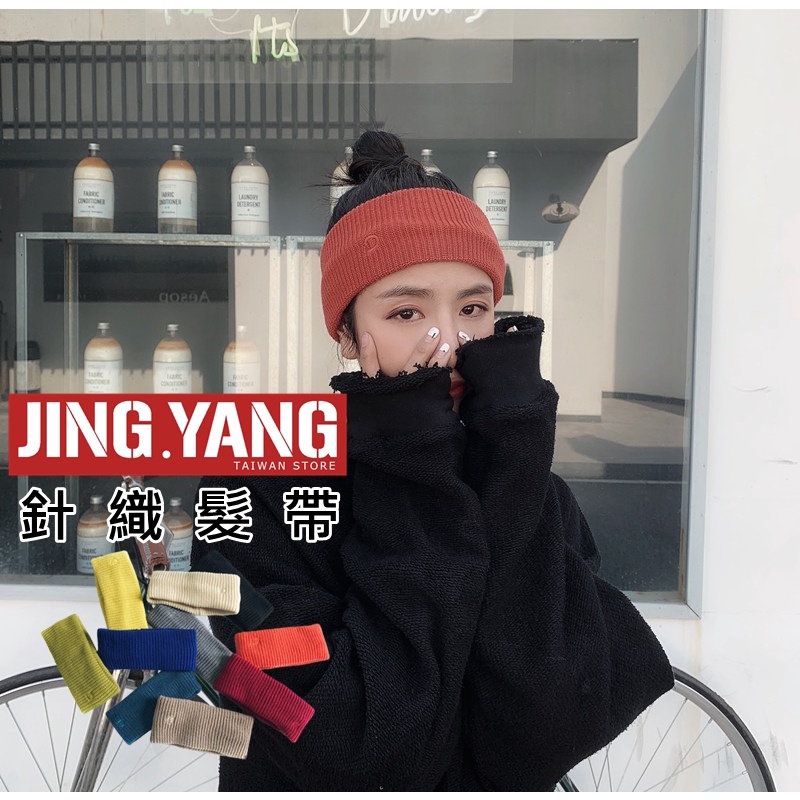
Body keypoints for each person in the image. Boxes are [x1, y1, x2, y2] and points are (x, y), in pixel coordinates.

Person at [192, 130, 675, 791]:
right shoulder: (254, 490)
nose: (448, 345)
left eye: (473, 308)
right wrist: (408, 466)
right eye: (406, 311)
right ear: (345, 333)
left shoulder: (525, 484)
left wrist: (512, 462)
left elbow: (547, 730)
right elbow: (338, 740)